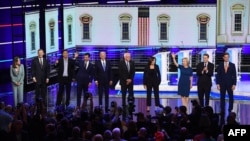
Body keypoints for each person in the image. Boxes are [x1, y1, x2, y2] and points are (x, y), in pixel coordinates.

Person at [216, 52, 236, 122]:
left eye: (228, 57)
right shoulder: (220, 65)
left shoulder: (232, 65)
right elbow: (218, 75)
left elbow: (234, 75)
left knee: (231, 97)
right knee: (222, 97)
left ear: (228, 57)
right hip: (222, 84)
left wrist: (234, 84)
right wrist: (217, 83)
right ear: (223, 58)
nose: (226, 58)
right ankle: (222, 110)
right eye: (225, 57)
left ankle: (230, 109)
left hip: (230, 84)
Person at [118, 52, 135, 119]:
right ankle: (124, 106)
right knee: (124, 94)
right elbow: (120, 73)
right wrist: (126, 80)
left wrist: (130, 79)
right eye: (128, 57)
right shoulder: (121, 63)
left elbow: (133, 71)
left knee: (131, 94)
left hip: (130, 81)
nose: (129, 58)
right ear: (124, 57)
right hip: (123, 81)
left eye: (130, 56)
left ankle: (131, 105)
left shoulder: (132, 62)